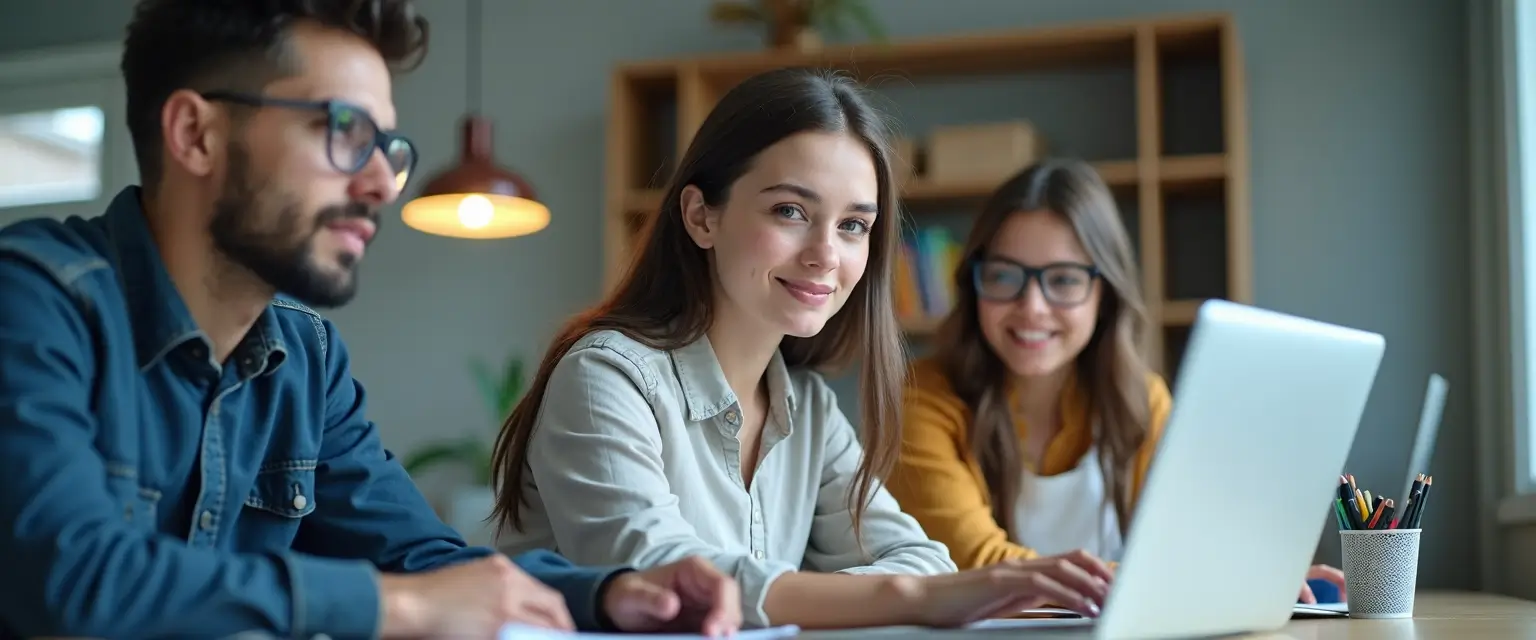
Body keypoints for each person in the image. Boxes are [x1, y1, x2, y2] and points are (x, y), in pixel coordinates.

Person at [0, 2, 739, 638]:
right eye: (344, 129)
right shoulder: (34, 298)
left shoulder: (306, 354)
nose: (382, 181)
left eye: (389, 147)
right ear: (197, 134)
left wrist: (606, 595)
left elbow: (421, 560)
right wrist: (406, 609)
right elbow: (68, 577)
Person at [488, 67, 1115, 632]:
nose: (826, 254)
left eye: (853, 226)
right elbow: (671, 588)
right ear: (701, 217)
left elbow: (922, 559)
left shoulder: (809, 408)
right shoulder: (605, 379)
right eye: (790, 210)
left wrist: (877, 591)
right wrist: (900, 595)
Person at [885, 159, 1347, 603]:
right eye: (1004, 276)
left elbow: (1188, 554)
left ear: (1104, 294)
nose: (1032, 307)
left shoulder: (1143, 401)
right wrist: (1201, 581)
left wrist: (1252, 575)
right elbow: (979, 568)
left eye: (1063, 280)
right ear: (973, 283)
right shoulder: (923, 398)